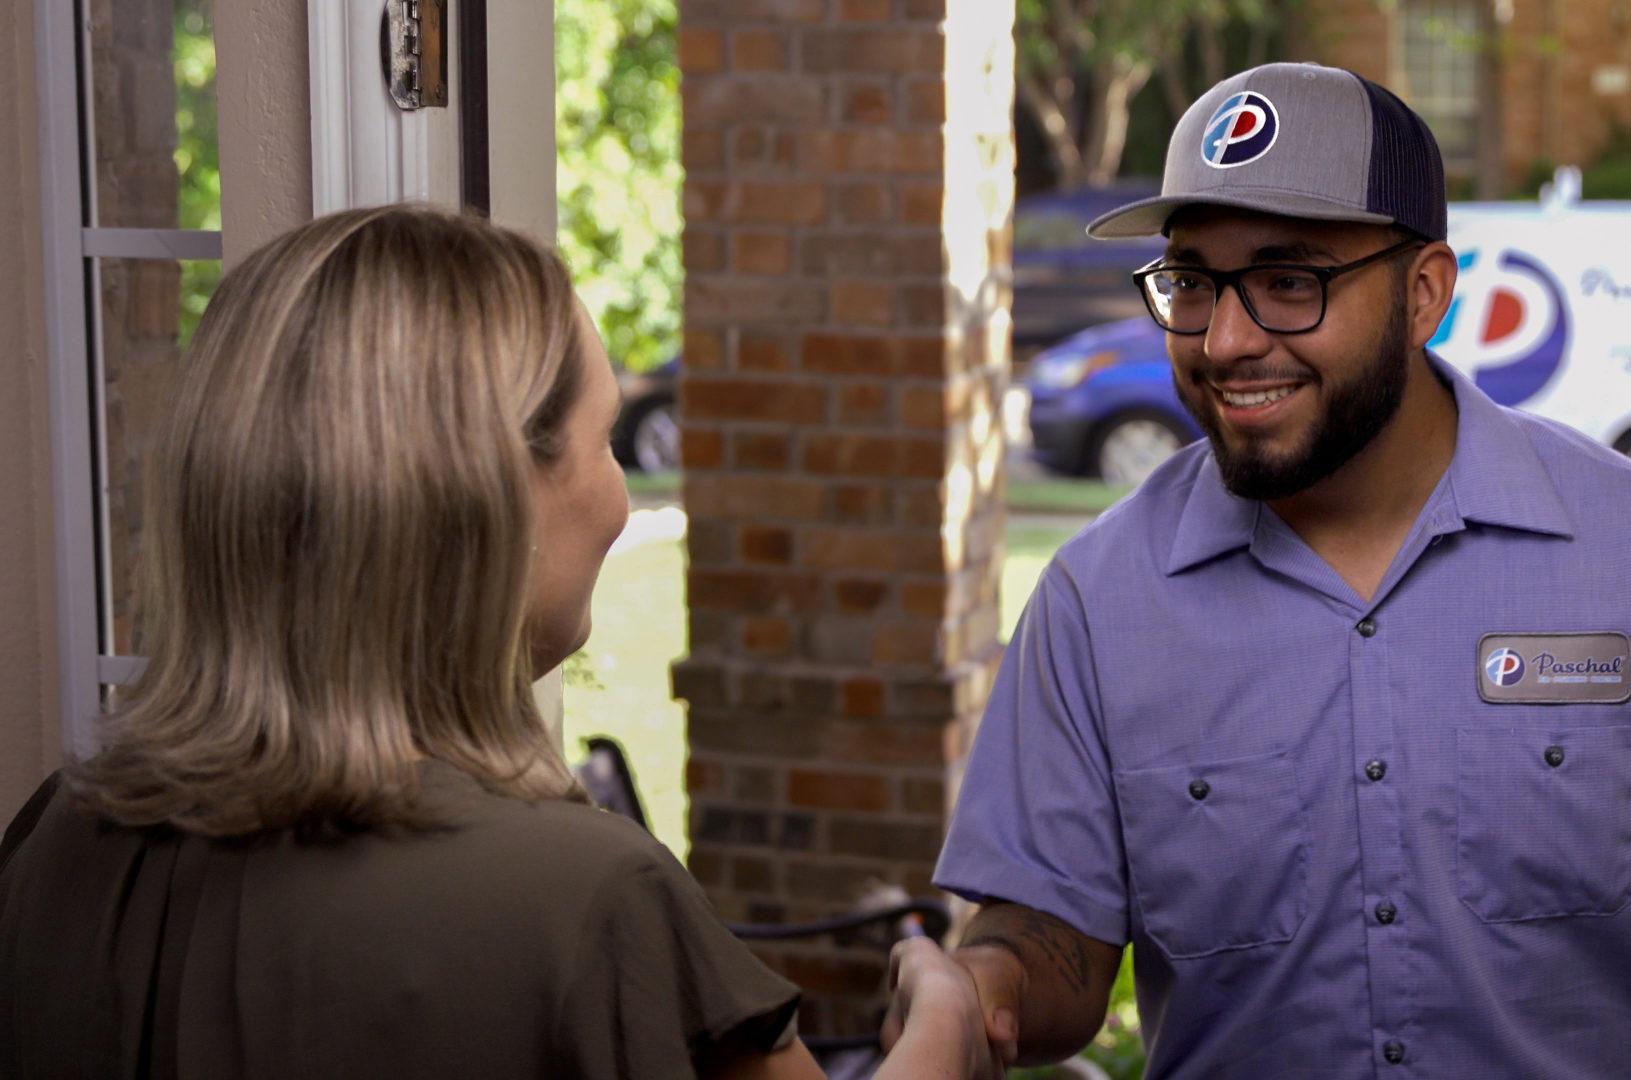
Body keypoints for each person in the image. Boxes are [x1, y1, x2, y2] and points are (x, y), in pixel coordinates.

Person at [912, 63, 1631, 1078]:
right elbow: (1051, 940)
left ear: (1424, 294)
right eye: (1194, 282)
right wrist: (978, 990)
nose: (1226, 340)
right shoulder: (1094, 603)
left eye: (1291, 281)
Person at [0, 205, 992, 1080]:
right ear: (485, 504)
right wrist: (942, 1018)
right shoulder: (587, 903)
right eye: (606, 441)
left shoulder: (56, 838)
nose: (621, 497)